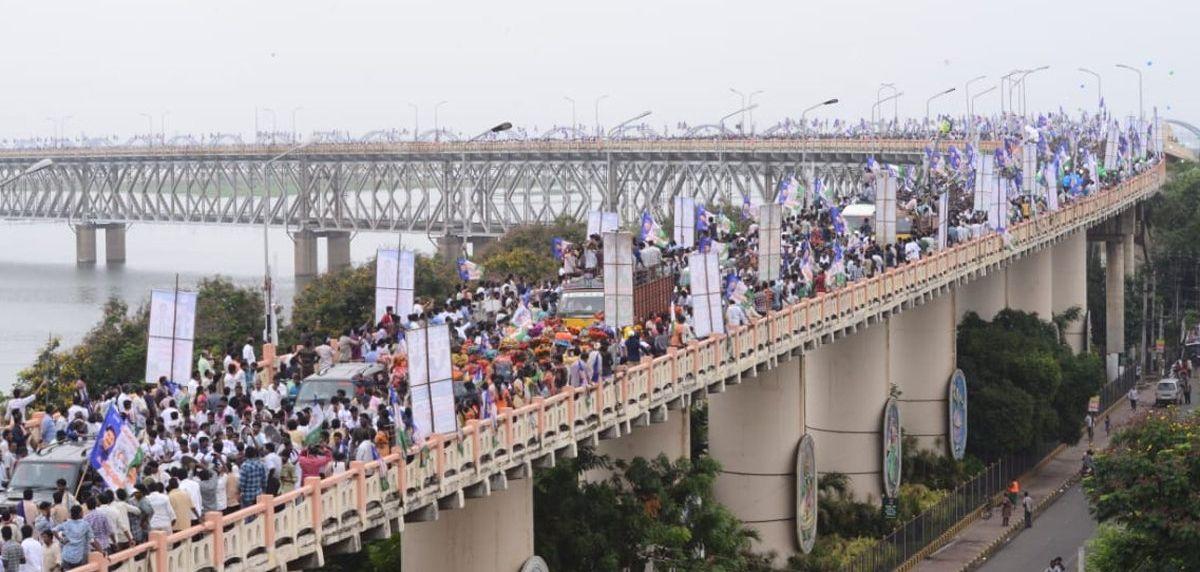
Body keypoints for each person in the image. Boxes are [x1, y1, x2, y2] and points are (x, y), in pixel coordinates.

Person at [52, 506, 95, 571]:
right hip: (78, 557)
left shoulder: (66, 523)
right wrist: (101, 550)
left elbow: (54, 530)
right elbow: (92, 541)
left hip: (66, 556)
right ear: (80, 513)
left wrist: (61, 540)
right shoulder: (85, 525)